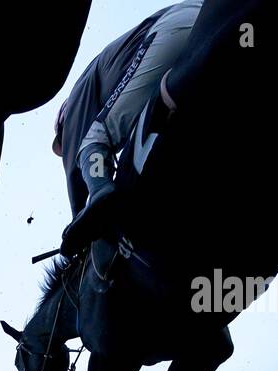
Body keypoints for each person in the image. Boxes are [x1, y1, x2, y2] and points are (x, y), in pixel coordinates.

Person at [54, 1, 203, 255]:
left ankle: (101, 190)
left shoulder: (77, 98)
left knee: (94, 141)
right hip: (206, 20)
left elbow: (75, 171)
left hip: (173, 30)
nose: (66, 143)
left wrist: (82, 225)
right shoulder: (111, 71)